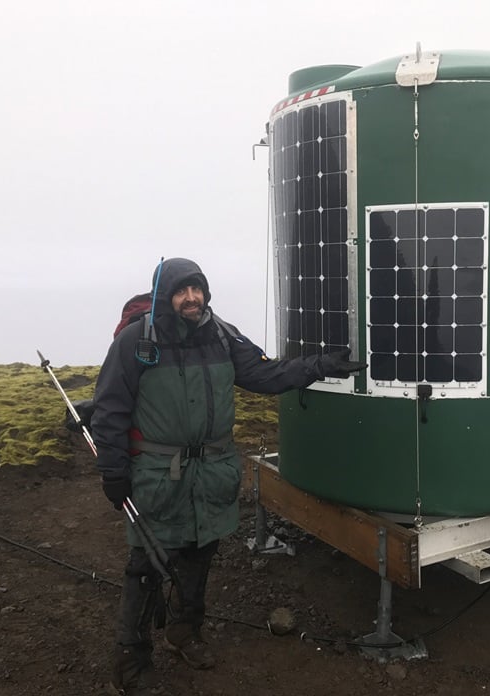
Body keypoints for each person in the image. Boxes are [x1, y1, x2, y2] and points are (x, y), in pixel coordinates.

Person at [90, 257, 364, 693]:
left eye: (197, 289)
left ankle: (185, 632)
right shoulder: (136, 341)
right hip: (159, 475)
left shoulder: (221, 334)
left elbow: (265, 373)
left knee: (200, 554)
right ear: (164, 296)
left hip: (212, 472)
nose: (191, 298)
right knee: (146, 567)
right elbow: (110, 408)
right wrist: (113, 471)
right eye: (181, 290)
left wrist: (318, 366)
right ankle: (131, 664)